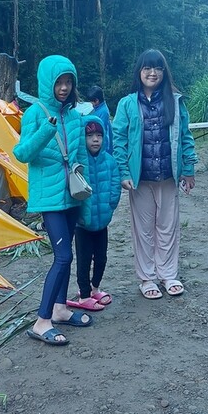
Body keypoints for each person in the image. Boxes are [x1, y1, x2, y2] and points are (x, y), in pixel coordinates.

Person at [13, 55, 93, 346]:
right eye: (59, 81)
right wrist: (47, 130)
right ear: (48, 82)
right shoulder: (34, 113)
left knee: (67, 252)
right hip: (49, 199)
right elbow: (22, 154)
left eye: (68, 81)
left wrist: (85, 188)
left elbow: (81, 156)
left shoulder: (74, 115)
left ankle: (60, 309)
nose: (64, 87)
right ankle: (41, 320)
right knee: (63, 257)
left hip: (71, 195)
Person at [112, 49, 198, 299]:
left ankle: (168, 274)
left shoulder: (175, 101)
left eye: (158, 68)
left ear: (164, 72)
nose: (152, 73)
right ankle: (147, 278)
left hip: (169, 176)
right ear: (139, 72)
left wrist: (188, 169)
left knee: (168, 227)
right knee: (144, 230)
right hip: (140, 178)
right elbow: (119, 140)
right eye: (147, 68)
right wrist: (123, 172)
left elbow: (185, 137)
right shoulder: (127, 104)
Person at [67, 115, 121, 311]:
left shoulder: (109, 161)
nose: (95, 139)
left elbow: (115, 184)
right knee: (83, 259)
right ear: (83, 139)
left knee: (101, 257)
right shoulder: (79, 162)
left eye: (99, 135)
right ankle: (84, 294)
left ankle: (95, 287)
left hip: (102, 221)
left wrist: (110, 205)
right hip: (83, 223)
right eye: (90, 136)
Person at [87, 85, 113, 154]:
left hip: (104, 147)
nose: (90, 103)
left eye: (91, 101)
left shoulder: (103, 112)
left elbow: (103, 131)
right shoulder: (97, 109)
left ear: (97, 101)